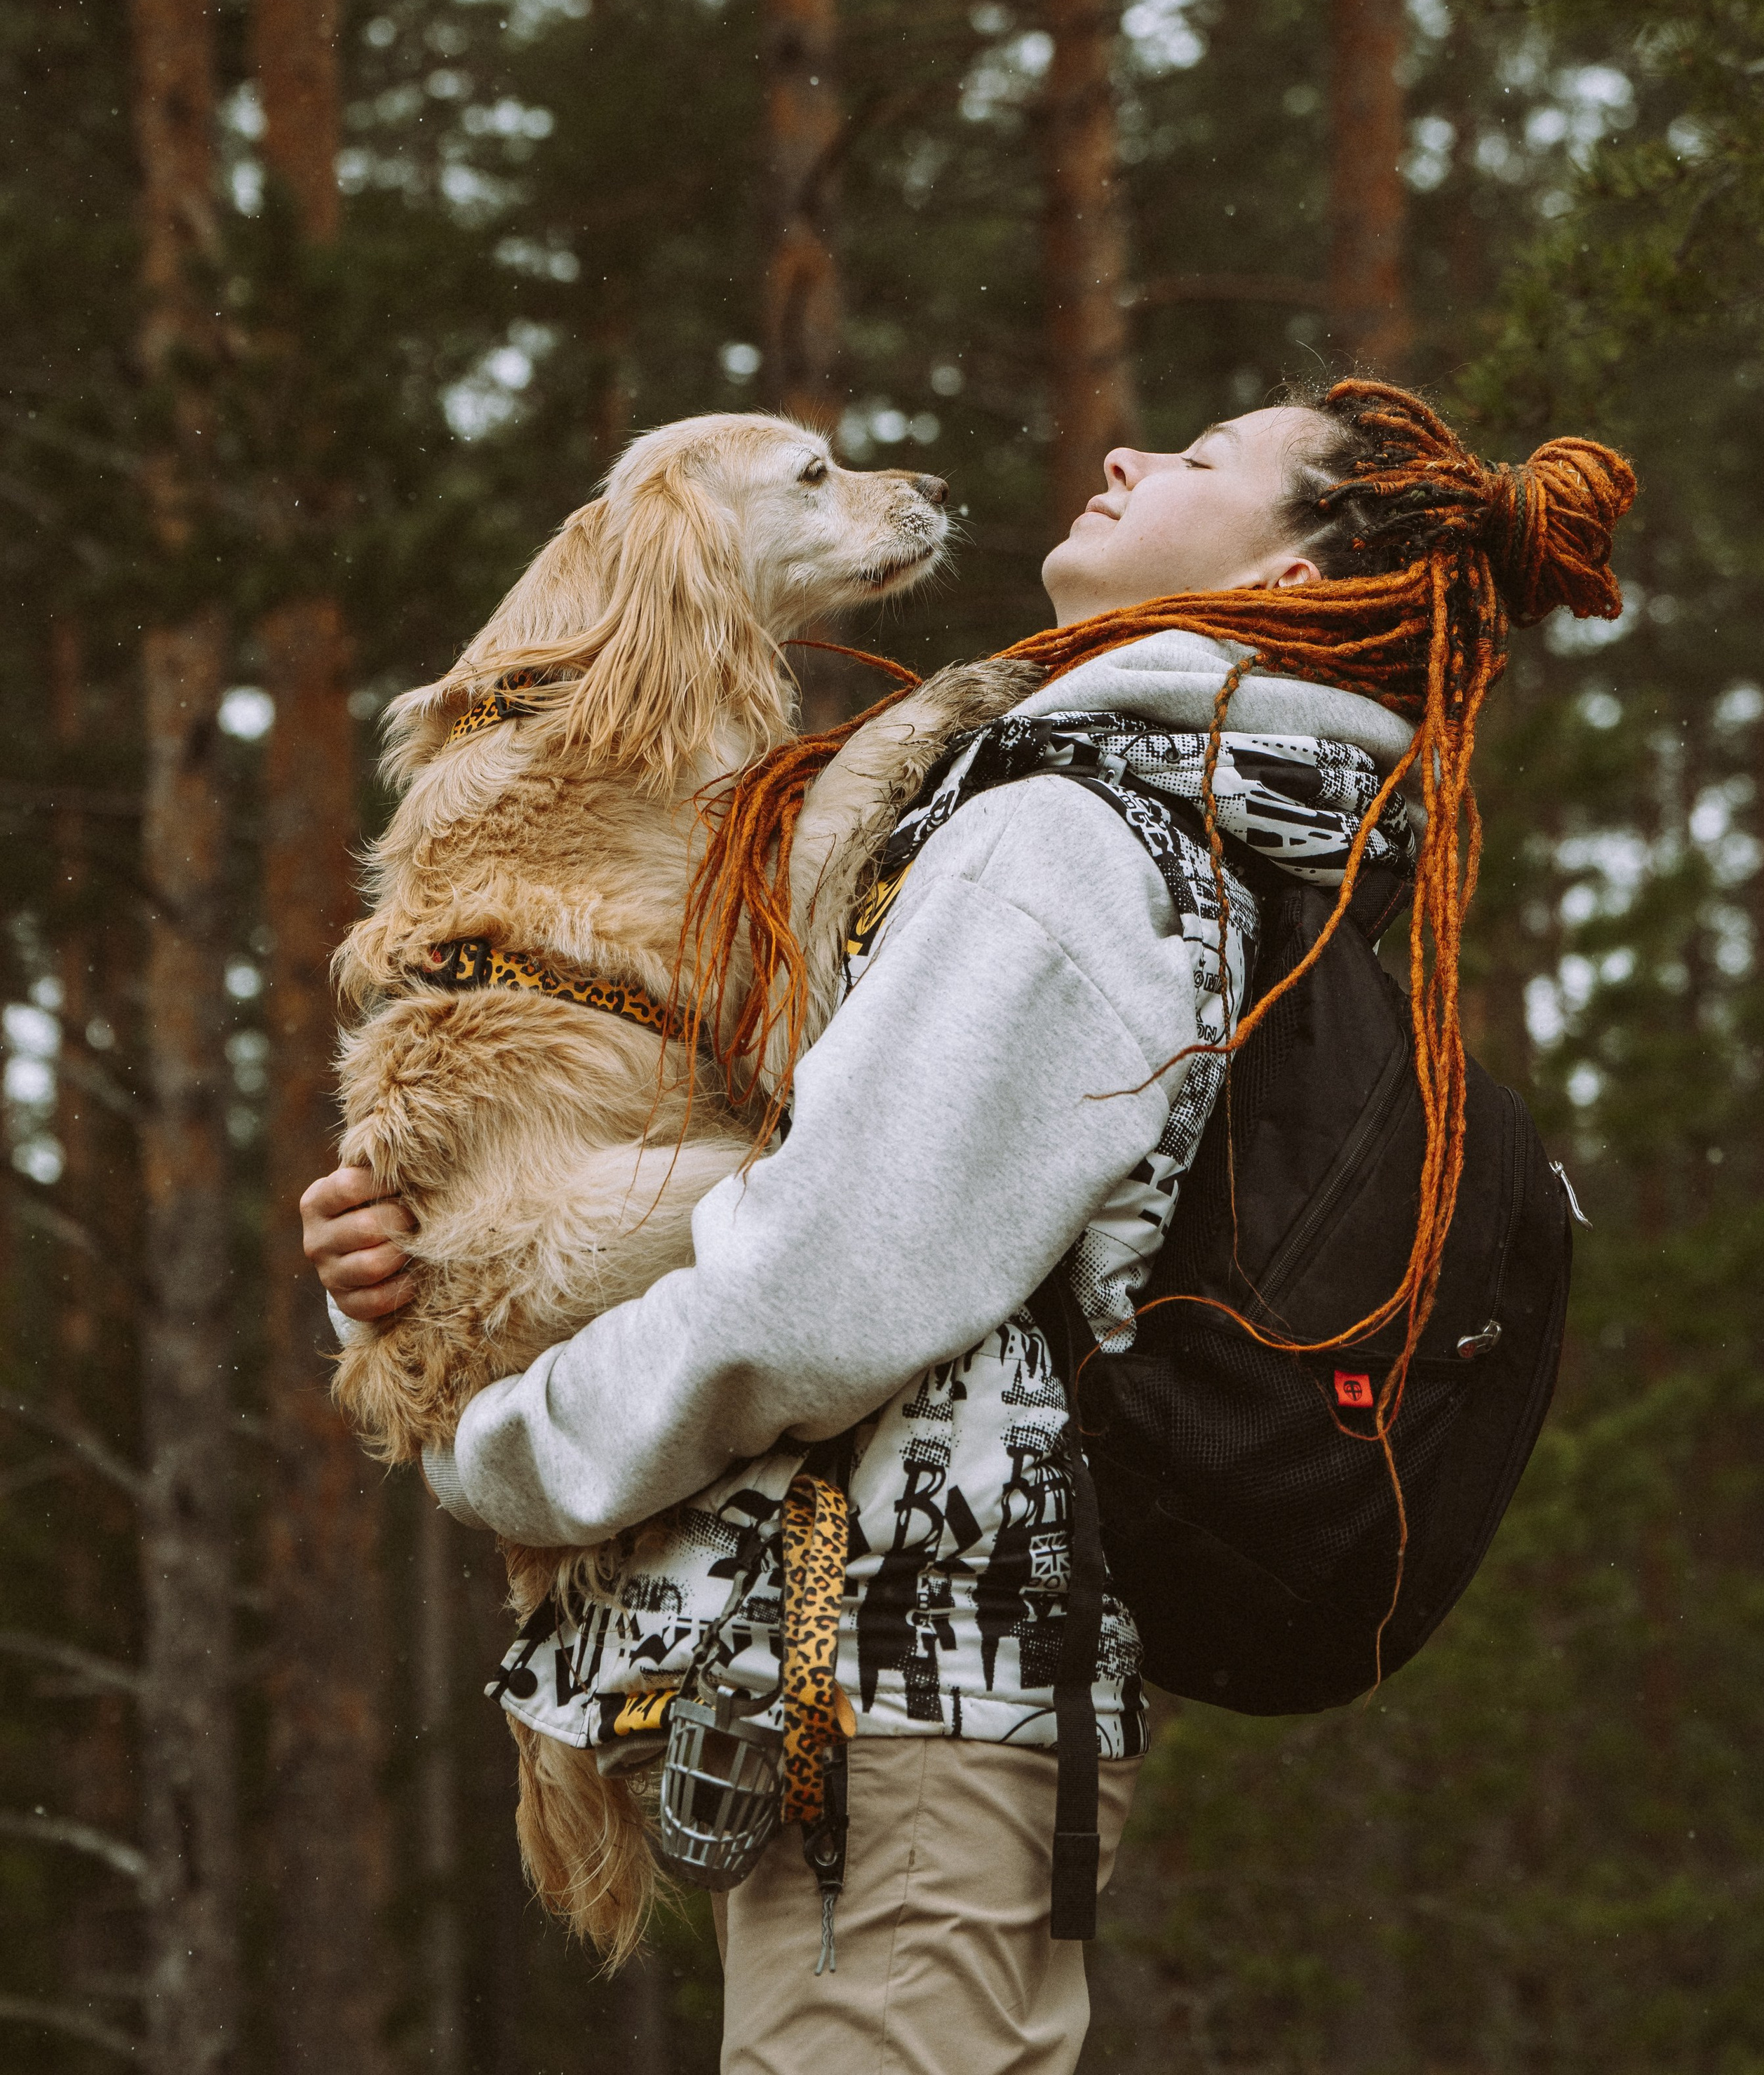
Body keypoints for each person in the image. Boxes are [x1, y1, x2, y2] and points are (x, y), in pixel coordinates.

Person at [304, 380, 1631, 2075]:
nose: (1127, 449)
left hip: (906, 1700)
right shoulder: (1122, 806)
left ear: (1294, 579)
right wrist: (423, 1254)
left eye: (1204, 458)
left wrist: (504, 1444)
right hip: (911, 1702)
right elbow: (776, 1169)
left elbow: (836, 1265)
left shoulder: (1067, 835)